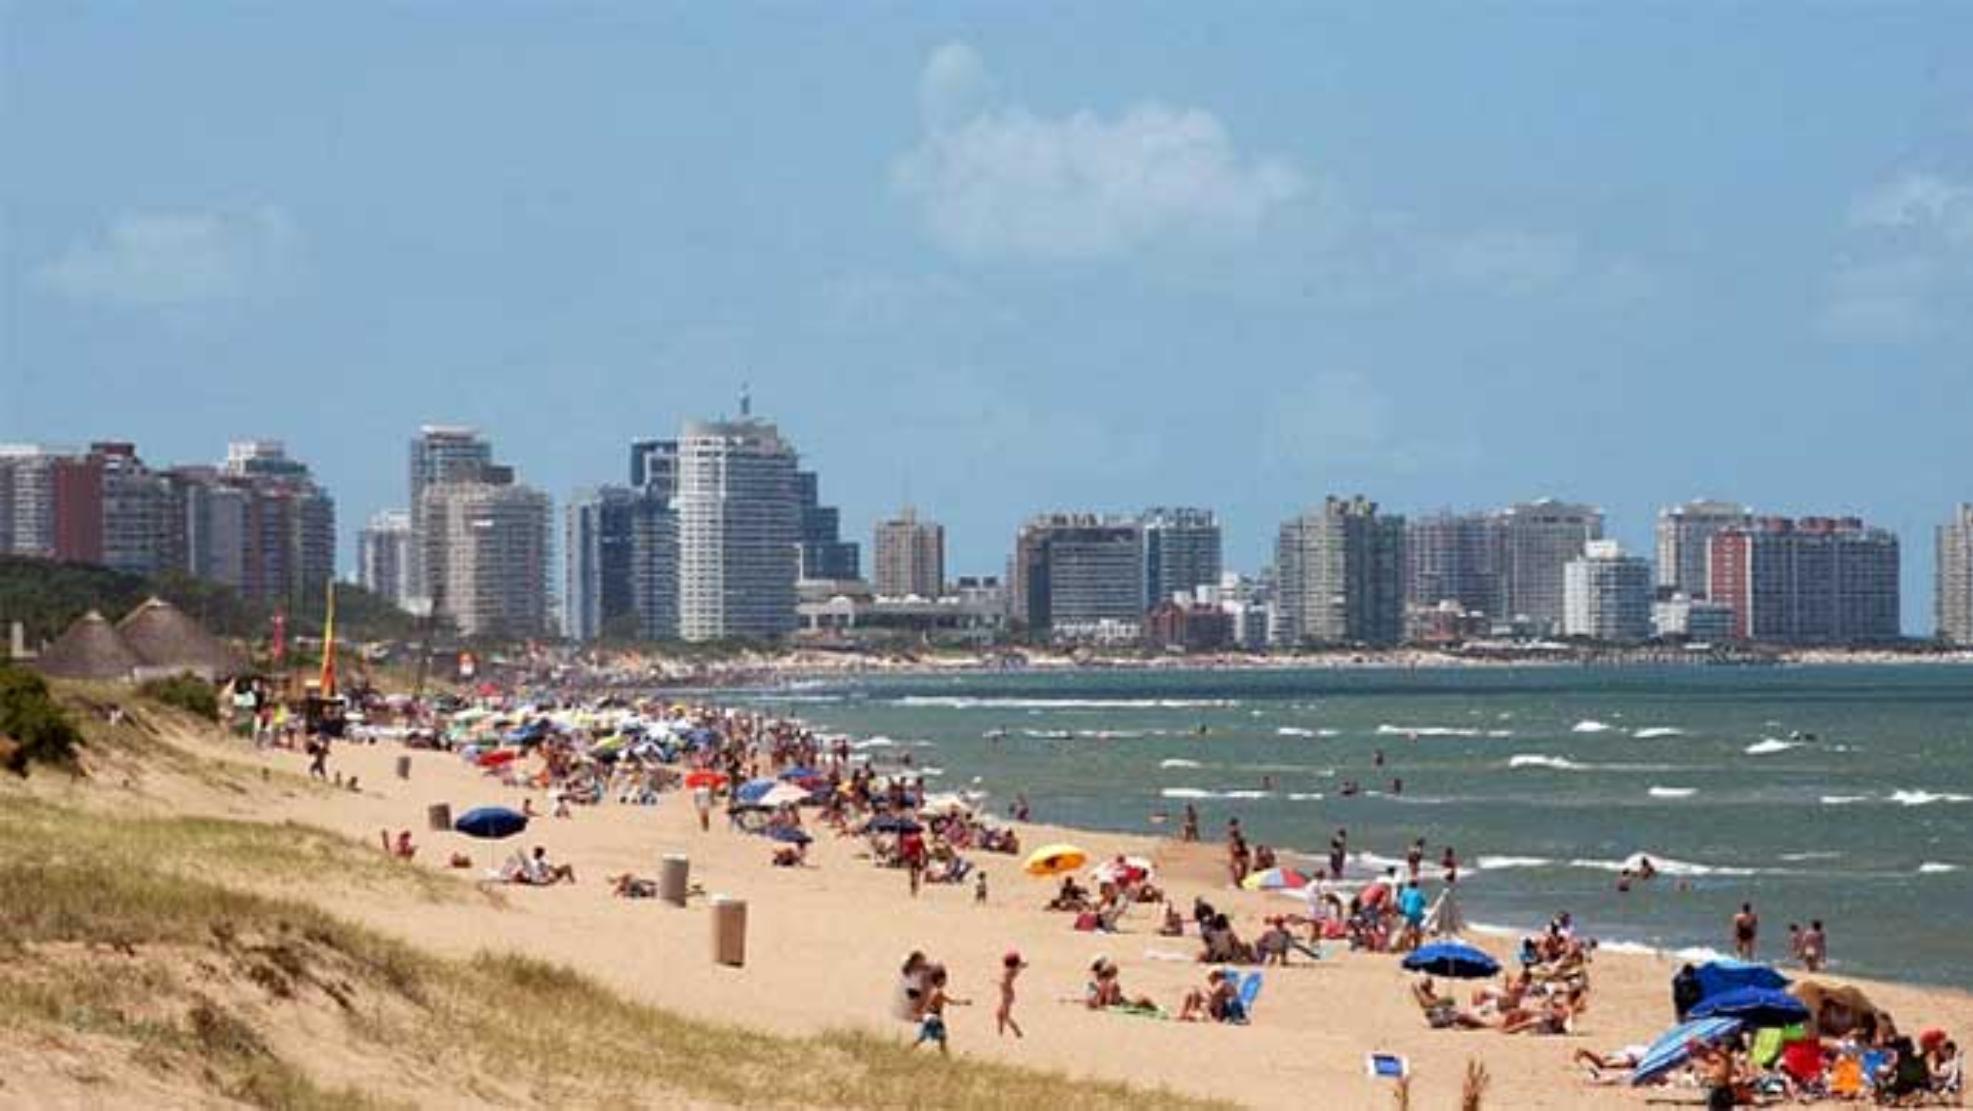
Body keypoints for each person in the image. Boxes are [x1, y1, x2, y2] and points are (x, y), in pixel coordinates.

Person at [914, 965, 968, 1055]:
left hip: (933, 1018)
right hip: (934, 1019)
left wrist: (963, 1002)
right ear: (939, 980)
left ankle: (909, 1049)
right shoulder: (937, 992)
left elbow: (949, 1001)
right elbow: (931, 1004)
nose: (946, 981)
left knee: (925, 1037)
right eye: (944, 979)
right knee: (941, 1038)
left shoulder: (936, 991)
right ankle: (945, 1056)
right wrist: (922, 1014)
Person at [996, 951, 1026, 1038]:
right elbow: (1018, 966)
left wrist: (997, 982)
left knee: (1005, 1015)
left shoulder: (1010, 972)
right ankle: (1000, 1032)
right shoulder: (1013, 970)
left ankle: (1017, 1032)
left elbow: (1003, 982)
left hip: (1007, 995)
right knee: (999, 1014)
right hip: (1007, 994)